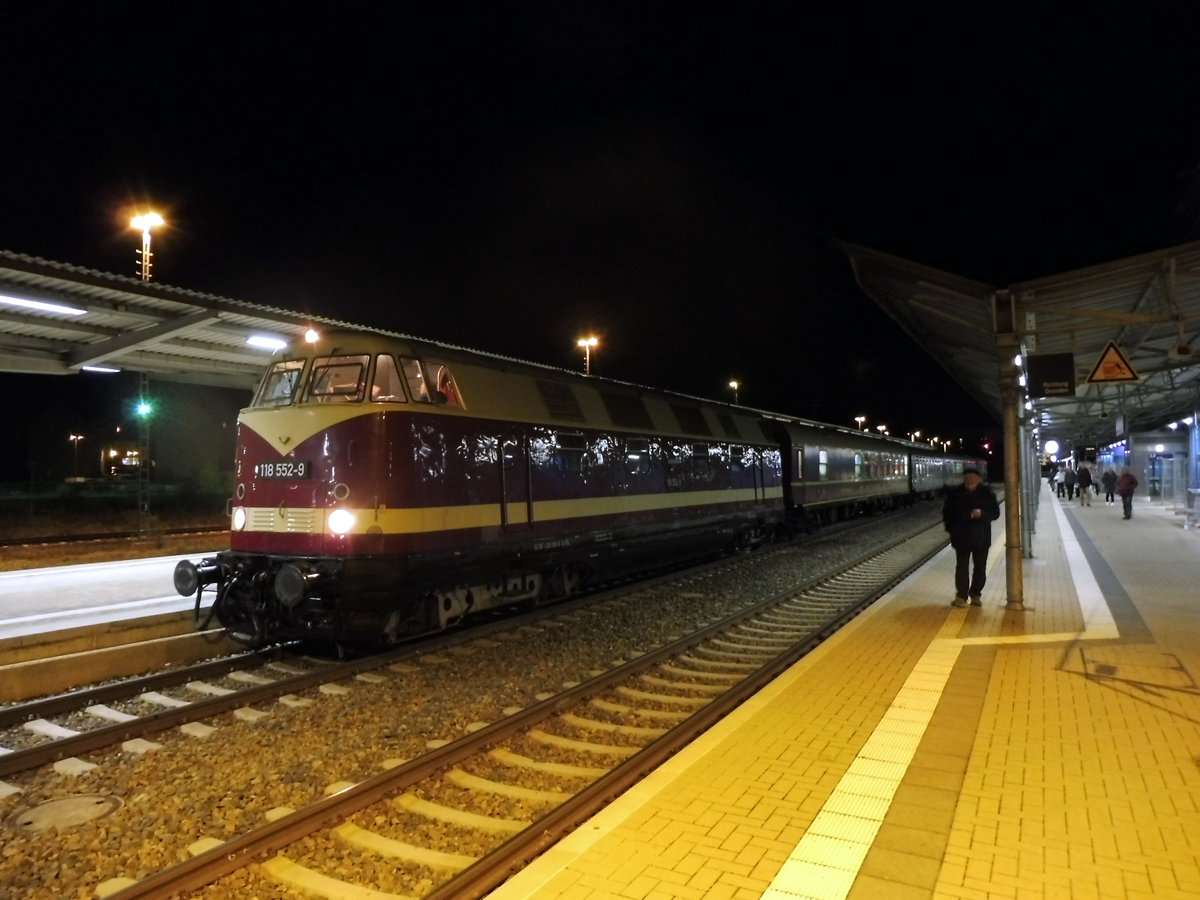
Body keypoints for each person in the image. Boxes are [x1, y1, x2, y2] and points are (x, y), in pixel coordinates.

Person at [942, 466, 1001, 607]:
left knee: (980, 567)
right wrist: (952, 530)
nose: (970, 480)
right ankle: (961, 596)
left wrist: (982, 514)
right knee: (962, 567)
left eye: (973, 477)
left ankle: (975, 594)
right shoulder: (955, 494)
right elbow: (947, 515)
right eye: (967, 478)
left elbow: (995, 513)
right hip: (961, 536)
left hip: (981, 537)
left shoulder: (987, 494)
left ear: (979, 479)